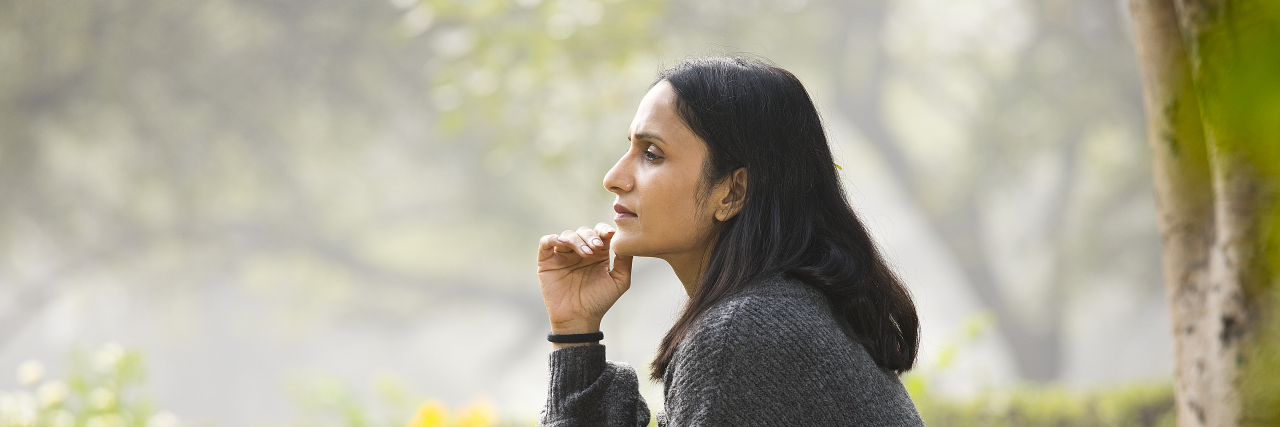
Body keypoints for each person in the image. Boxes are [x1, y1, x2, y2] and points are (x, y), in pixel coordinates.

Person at [535, 56, 924, 426]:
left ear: (732, 192)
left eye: (651, 154)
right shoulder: (773, 312)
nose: (614, 176)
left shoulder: (742, 334)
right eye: (630, 148)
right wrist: (576, 331)